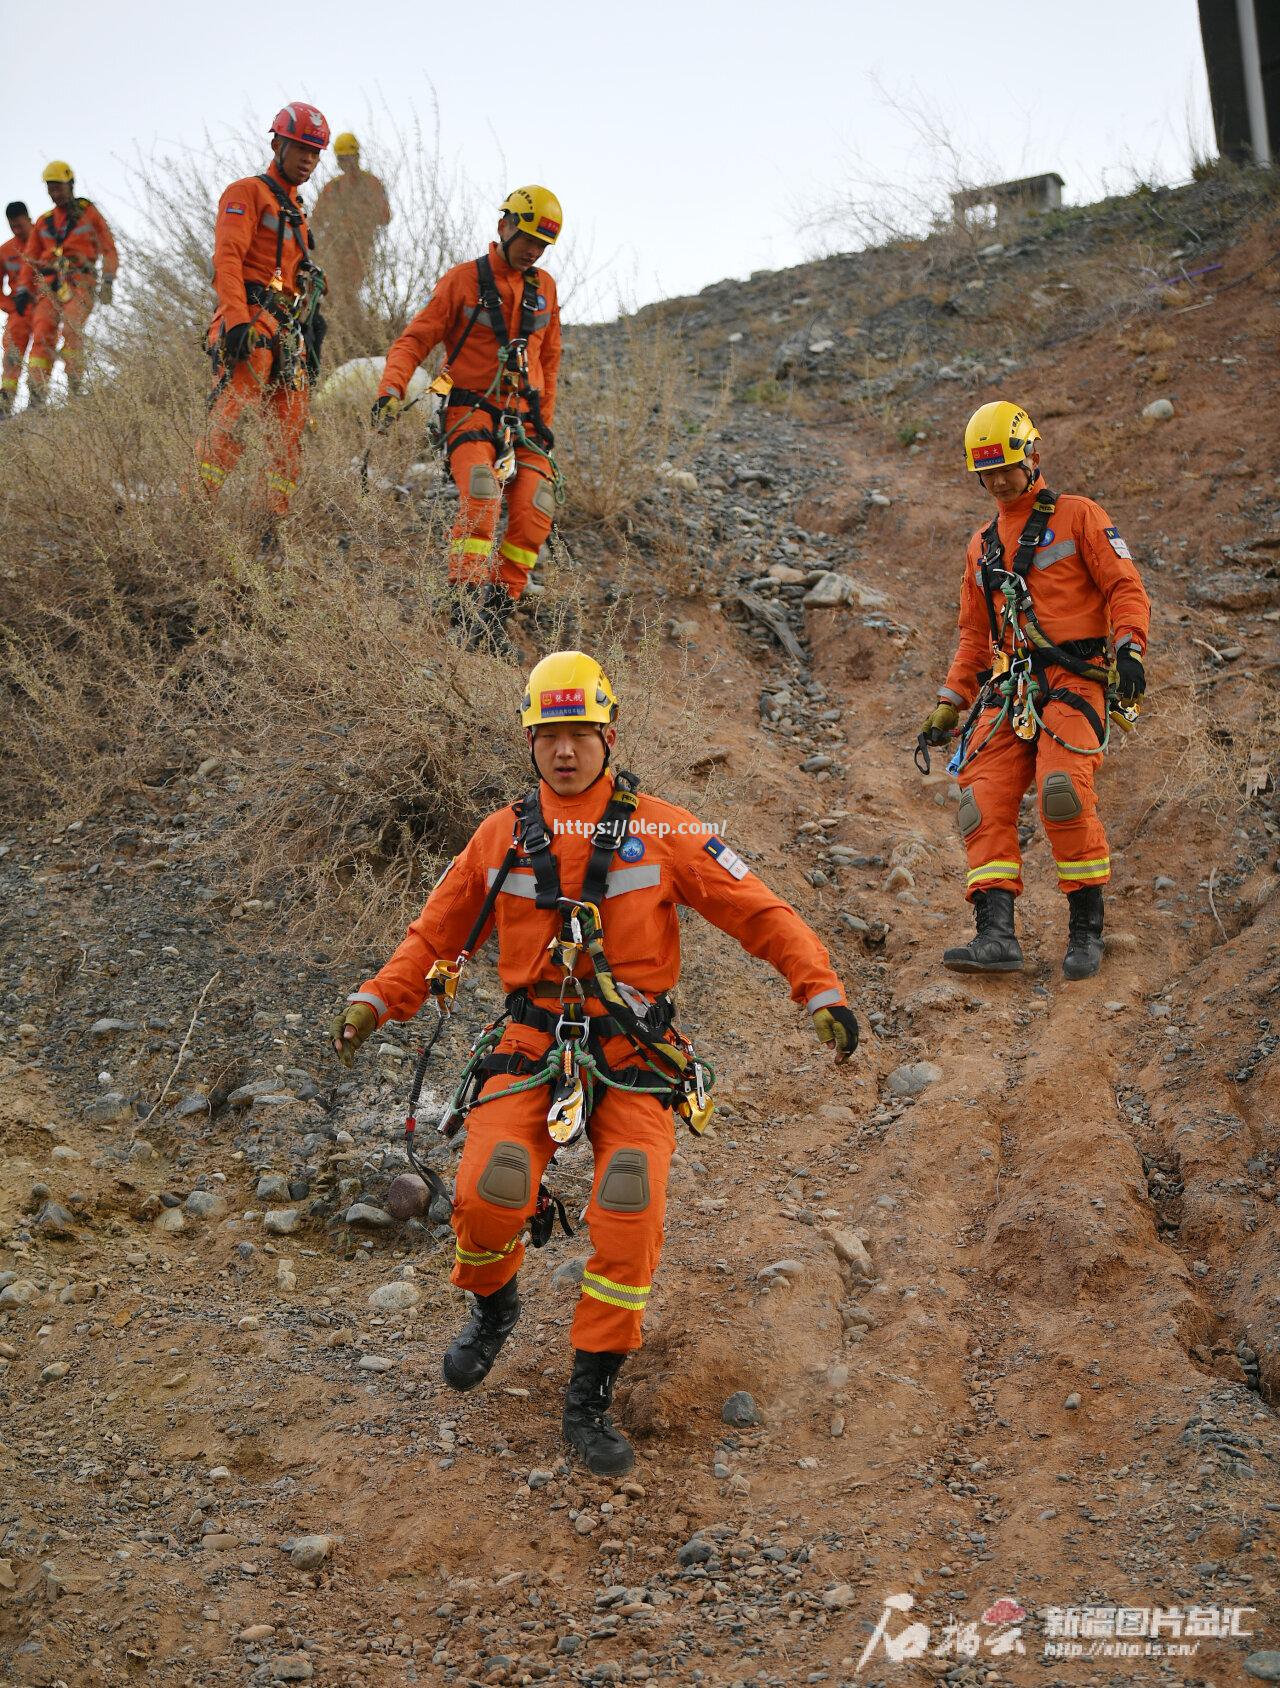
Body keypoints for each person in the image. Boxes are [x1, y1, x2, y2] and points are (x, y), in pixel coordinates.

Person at [327, 651, 859, 1474]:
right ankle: (494, 1305)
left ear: (610, 736)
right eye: (550, 735)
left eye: (580, 733)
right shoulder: (499, 836)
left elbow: (760, 911)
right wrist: (375, 999)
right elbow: (435, 936)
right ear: (530, 741)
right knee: (488, 1190)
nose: (565, 750)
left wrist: (820, 991)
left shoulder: (669, 828)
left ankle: (589, 1395)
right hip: (530, 1044)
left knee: (630, 1206)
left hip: (633, 1050)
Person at [920, 401, 1150, 980]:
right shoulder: (981, 546)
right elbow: (975, 637)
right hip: (1010, 687)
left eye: (1006, 469)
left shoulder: (1080, 517)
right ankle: (996, 936)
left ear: (1032, 457)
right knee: (981, 802)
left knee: (1061, 792)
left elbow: (1125, 588)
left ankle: (1085, 932)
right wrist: (948, 706)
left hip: (1076, 679)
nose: (997, 482)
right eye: (986, 473)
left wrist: (1131, 651)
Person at [371, 186, 563, 649]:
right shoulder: (463, 281)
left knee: (536, 507)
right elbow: (414, 340)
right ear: (505, 227)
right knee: (481, 493)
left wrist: (544, 424)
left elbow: (550, 360)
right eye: (528, 240)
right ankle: (463, 609)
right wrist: (391, 388)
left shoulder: (545, 289)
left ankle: (495, 615)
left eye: (542, 244)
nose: (533, 251)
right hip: (470, 409)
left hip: (525, 423)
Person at [195, 103, 329, 535]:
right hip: (250, 323)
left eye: (315, 152)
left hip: (286, 332)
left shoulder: (297, 209)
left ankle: (271, 525)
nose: (308, 159)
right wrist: (235, 321)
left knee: (289, 432)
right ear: (277, 144)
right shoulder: (246, 193)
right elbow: (228, 258)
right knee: (232, 421)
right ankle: (196, 514)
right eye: (301, 148)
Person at [17, 164, 117, 404]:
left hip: (80, 281)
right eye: (50, 188)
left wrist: (108, 280)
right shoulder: (44, 221)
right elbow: (29, 260)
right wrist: (23, 289)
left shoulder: (89, 213)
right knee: (41, 334)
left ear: (70, 184)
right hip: (50, 285)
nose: (54, 192)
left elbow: (109, 249)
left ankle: (75, 386)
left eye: (57, 187)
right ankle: (37, 396)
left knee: (72, 330)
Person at [310, 131, 389, 335]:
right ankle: (338, 332)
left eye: (349, 157)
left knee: (349, 293)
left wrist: (359, 220)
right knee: (331, 294)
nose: (347, 163)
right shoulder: (332, 188)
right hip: (333, 252)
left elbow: (385, 216)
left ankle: (354, 332)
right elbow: (316, 220)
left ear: (357, 157)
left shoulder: (371, 184)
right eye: (342, 159)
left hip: (359, 250)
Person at [0, 201, 34, 414]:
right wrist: (9, 307)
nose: (17, 230)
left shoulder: (44, 242)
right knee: (11, 354)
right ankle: (5, 404)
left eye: (20, 225)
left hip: (44, 307)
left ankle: (38, 398)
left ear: (29, 220)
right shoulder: (5, 251)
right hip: (19, 312)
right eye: (13, 226)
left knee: (43, 350)